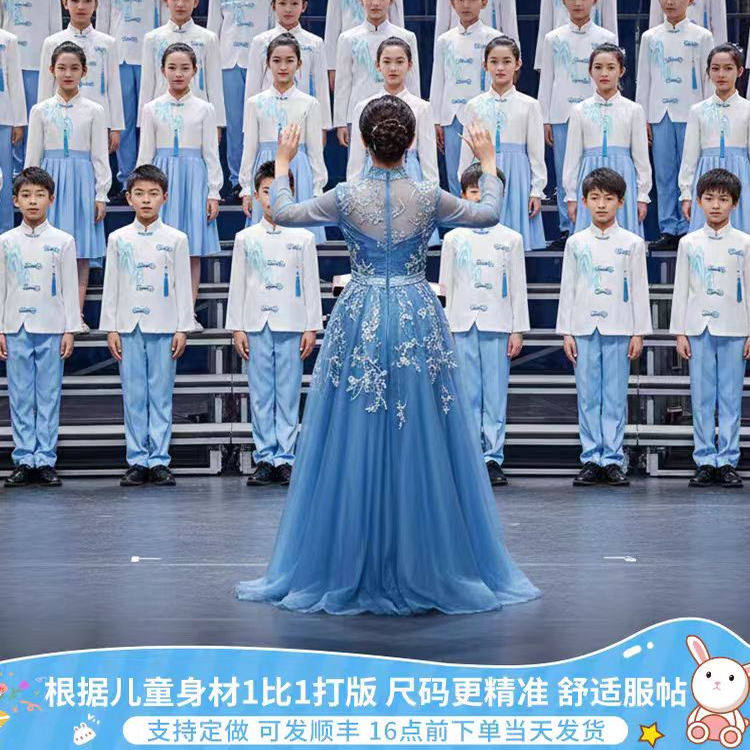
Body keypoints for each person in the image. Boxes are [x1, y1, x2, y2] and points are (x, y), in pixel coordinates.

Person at [235, 95, 540, 615]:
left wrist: (283, 163)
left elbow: (282, 213)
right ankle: (427, 558)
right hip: (417, 311)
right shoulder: (427, 195)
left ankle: (352, 557)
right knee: (422, 427)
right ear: (412, 142)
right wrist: (488, 162)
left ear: (361, 140)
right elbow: (489, 213)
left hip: (360, 312)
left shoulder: (346, 196)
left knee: (354, 428)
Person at [227, 161, 322, 487]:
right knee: (260, 393)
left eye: (278, 191)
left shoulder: (303, 237)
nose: (271, 198)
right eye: (266, 191)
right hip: (257, 323)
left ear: (291, 193)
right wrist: (237, 327)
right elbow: (237, 284)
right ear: (256, 195)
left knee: (288, 392)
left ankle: (285, 457)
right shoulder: (245, 238)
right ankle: (265, 456)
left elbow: (311, 284)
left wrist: (311, 326)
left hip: (292, 322)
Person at [556, 168, 652, 487]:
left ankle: (611, 458)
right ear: (584, 201)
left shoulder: (632, 243)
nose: (601, 205)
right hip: (584, 327)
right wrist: (566, 331)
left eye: (608, 199)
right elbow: (568, 288)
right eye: (595, 198)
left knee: (614, 395)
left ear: (620, 202)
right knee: (587, 396)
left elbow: (639, 290)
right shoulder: (576, 243)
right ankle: (590, 458)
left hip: (619, 326)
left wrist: (638, 331)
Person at [99, 164, 194, 488]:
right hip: (129, 325)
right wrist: (111, 327)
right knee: (134, 395)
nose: (146, 200)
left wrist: (183, 327)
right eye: (139, 194)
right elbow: (111, 285)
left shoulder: (176, 239)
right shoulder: (118, 238)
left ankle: (160, 460)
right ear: (128, 198)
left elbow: (183, 285)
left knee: (161, 395)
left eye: (153, 194)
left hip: (164, 324)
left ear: (164, 197)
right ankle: (138, 459)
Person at [439, 163, 528, 487]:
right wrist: (445, 328)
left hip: (497, 323)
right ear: (463, 195)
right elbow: (445, 287)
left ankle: (492, 456)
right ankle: (468, 456)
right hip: (461, 324)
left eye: (486, 192)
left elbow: (518, 287)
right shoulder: (453, 239)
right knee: (466, 393)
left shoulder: (511, 239)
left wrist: (518, 329)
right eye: (473, 192)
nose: (479, 198)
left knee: (494, 395)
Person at [0, 167, 82, 488]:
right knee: (20, 395)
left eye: (39, 195)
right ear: (15, 201)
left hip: (51, 324)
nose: (33, 201)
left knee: (48, 395)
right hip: (16, 325)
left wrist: (70, 328)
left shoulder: (63, 241)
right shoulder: (5, 242)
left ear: (51, 199)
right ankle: (23, 458)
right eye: (26, 195)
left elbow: (69, 288)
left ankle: (46, 458)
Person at [670, 168, 750, 489]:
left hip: (735, 327)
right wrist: (679, 331)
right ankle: (704, 459)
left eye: (723, 199)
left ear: (735, 203)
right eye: (709, 198)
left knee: (730, 397)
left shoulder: (744, 243)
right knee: (702, 397)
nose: (716, 205)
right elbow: (680, 289)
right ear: (700, 201)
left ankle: (728, 460)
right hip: (698, 326)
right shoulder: (689, 243)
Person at [25, 41, 111, 323]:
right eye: (61, 68)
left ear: (84, 71)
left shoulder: (94, 110)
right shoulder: (40, 110)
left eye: (74, 68)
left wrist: (101, 194)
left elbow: (99, 156)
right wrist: (31, 193)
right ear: (52, 70)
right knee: (48, 249)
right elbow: (32, 157)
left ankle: (75, 315)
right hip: (50, 183)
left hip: (82, 183)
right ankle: (49, 314)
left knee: (80, 252)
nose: (67, 74)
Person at [137, 42, 222, 306]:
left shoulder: (205, 109)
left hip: (194, 181)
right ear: (163, 70)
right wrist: (141, 190)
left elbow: (211, 153)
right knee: (159, 246)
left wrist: (213, 192)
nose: (178, 74)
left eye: (185, 68)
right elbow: (145, 154)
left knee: (191, 250)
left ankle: (188, 311)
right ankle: (160, 308)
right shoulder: (151, 108)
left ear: (195, 70)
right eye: (172, 67)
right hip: (161, 180)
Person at [538, 0, 616, 251]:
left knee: (598, 168)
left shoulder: (606, 37)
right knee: (565, 171)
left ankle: (600, 221)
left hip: (596, 111)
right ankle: (567, 226)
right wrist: (545, 117)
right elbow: (547, 78)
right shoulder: (553, 38)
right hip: (561, 112)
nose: (578, 3)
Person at [636, 0, 713, 252]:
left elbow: (708, 79)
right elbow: (644, 78)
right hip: (660, 112)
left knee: (691, 170)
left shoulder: (702, 36)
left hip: (693, 111)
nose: (670, 2)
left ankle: (692, 225)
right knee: (664, 173)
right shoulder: (650, 37)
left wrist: (709, 114)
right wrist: (643, 116)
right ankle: (669, 228)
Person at [457, 35, 546, 252]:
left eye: (506, 61)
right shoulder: (474, 105)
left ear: (518, 64)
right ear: (484, 65)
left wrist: (536, 190)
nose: (500, 68)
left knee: (512, 243)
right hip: (482, 173)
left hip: (517, 175)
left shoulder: (530, 105)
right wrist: (464, 183)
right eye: (494, 62)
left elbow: (536, 153)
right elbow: (466, 151)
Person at [239, 34, 326, 244]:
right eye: (277, 60)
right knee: (264, 237)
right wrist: (246, 188)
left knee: (300, 238)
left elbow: (315, 151)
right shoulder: (255, 103)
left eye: (290, 61)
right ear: (268, 63)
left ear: (299, 64)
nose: (283, 67)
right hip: (265, 167)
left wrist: (317, 188)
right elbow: (249, 148)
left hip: (299, 170)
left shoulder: (309, 103)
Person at [563, 43, 651, 237]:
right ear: (590, 71)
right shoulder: (579, 110)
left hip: (623, 177)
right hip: (589, 176)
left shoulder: (634, 110)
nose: (604, 73)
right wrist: (571, 196)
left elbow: (641, 158)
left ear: (622, 71)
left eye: (611, 67)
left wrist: (642, 196)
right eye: (598, 67)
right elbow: (572, 157)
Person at [244, 0, 332, 156]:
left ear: (304, 6)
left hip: (303, 115)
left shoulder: (315, 43)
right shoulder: (260, 41)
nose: (288, 9)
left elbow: (321, 86)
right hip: (268, 117)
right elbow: (252, 87)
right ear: (273, 6)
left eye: (294, 4)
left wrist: (323, 127)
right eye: (282, 3)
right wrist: (249, 126)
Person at [95, 0, 165, 194]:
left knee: (150, 121)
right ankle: (127, 179)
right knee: (123, 123)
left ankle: (151, 176)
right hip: (119, 56)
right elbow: (103, 20)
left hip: (152, 57)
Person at [679, 44, 750, 234]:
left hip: (741, 178)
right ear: (708, 72)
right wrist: (686, 194)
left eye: (728, 68)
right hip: (706, 177)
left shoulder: (747, 109)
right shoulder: (698, 110)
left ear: (740, 71)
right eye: (715, 68)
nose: (721, 74)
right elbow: (689, 157)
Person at [430, 0, 498, 196]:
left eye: (472, 0)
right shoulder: (444, 40)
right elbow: (438, 80)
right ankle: (459, 213)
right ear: (452, 4)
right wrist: (436, 120)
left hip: (482, 116)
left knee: (483, 170)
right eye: (460, 0)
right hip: (451, 116)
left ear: (484, 3)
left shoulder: (494, 38)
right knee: (454, 175)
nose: (466, 5)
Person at [37, 0, 124, 152]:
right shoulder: (52, 42)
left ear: (96, 5)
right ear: (65, 3)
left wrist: (116, 127)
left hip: (99, 119)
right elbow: (45, 87)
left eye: (87, 1)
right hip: (59, 119)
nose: (81, 6)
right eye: (75, 1)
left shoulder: (108, 43)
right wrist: (42, 122)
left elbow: (114, 86)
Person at [207, 0, 273, 199]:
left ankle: (261, 177)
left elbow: (273, 22)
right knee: (235, 125)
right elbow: (212, 30)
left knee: (261, 122)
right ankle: (236, 180)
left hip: (262, 60)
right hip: (228, 61)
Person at [333, 0, 419, 150]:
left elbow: (412, 81)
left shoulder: (406, 37)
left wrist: (416, 117)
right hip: (358, 115)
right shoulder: (347, 38)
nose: (375, 3)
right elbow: (343, 83)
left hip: (398, 115)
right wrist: (341, 123)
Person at [138, 0, 226, 132]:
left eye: (185, 0)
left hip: (198, 116)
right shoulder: (152, 39)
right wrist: (143, 123)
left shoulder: (208, 38)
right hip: (161, 116)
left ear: (196, 2)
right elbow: (147, 84)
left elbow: (214, 85)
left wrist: (217, 124)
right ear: (166, 2)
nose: (180, 4)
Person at [0, 0, 61, 172]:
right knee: (10, 121)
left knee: (36, 119)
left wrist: (56, 60)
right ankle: (15, 170)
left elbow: (56, 29)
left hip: (37, 62)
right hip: (6, 61)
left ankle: (33, 170)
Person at [323, 0, 403, 82]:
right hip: (350, 48)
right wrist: (331, 66)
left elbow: (397, 19)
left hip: (384, 43)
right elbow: (332, 26)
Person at [533, 0, 618, 70]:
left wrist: (614, 59)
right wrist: (542, 61)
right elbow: (546, 21)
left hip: (595, 48)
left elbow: (610, 23)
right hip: (560, 50)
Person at [0, 28, 26, 233]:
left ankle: (5, 229)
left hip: (3, 117)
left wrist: (18, 121)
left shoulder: (8, 40)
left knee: (4, 178)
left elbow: (15, 81)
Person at [433, 0, 518, 54]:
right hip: (457, 49)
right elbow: (442, 25)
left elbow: (510, 26)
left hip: (490, 49)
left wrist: (515, 65)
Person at [649, 0, 726, 46]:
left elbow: (719, 28)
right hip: (668, 46)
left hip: (701, 47)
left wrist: (721, 57)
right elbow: (655, 22)